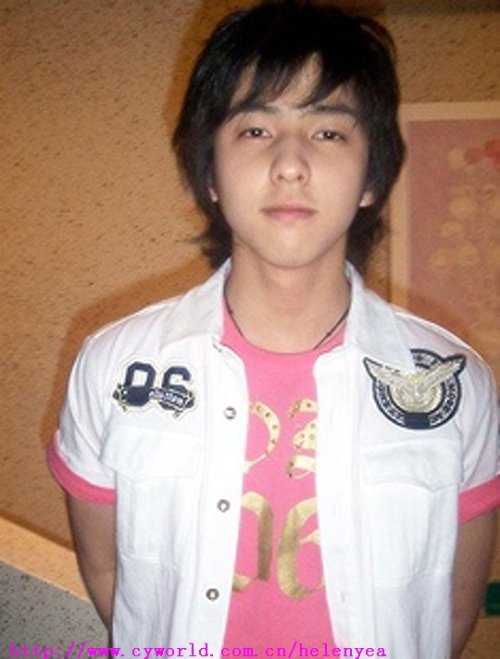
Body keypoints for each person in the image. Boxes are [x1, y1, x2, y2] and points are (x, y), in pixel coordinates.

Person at [48, 1, 499, 658]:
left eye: (329, 132)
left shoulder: (455, 384)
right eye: (256, 129)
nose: (291, 164)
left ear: (372, 176)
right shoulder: (114, 367)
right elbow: (111, 576)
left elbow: (451, 606)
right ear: (210, 171)